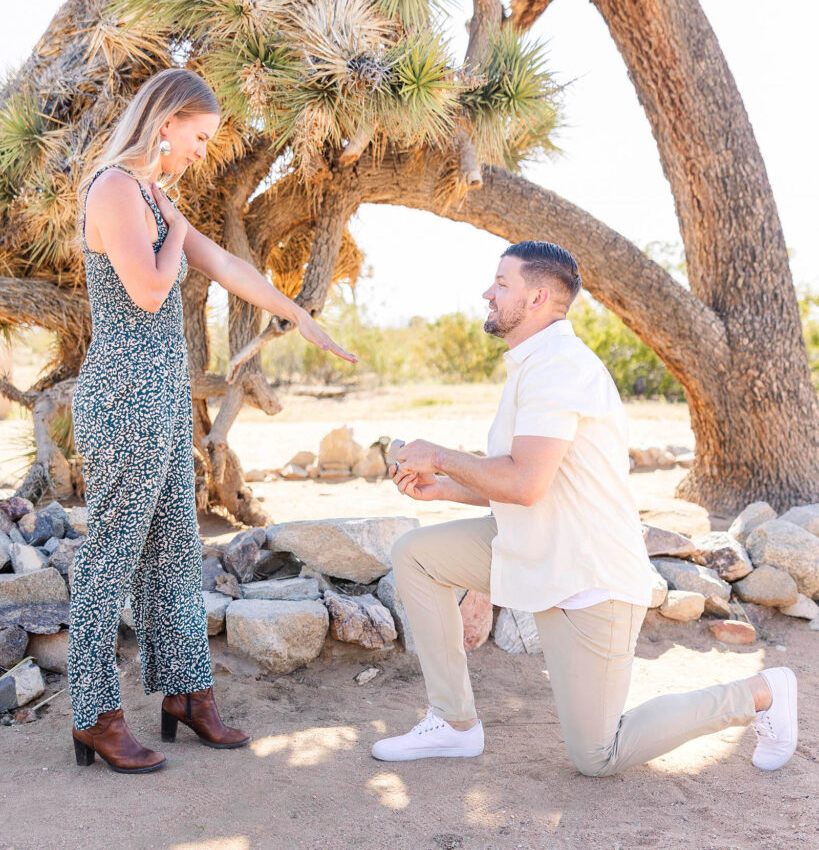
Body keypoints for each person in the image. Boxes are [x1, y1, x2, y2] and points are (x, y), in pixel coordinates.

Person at [372, 241, 797, 775]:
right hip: (535, 549)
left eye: (501, 284)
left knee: (598, 754)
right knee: (417, 554)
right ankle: (454, 723)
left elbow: (524, 483)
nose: (487, 292)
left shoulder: (559, 368)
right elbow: (536, 481)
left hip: (589, 576)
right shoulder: (533, 363)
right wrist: (447, 487)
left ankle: (762, 692)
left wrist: (438, 455)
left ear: (538, 298)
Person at [69, 68, 356, 774]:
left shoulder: (151, 198)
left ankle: (187, 697)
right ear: (164, 124)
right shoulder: (115, 189)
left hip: (160, 398)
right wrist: (171, 234)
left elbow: (224, 261)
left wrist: (297, 314)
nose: (202, 150)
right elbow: (150, 286)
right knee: (109, 560)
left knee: (173, 552)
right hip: (125, 395)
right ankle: (95, 716)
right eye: (197, 136)